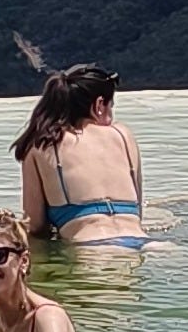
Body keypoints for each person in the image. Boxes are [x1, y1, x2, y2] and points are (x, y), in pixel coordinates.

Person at [15, 65, 149, 250]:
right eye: (111, 106)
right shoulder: (123, 136)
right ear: (99, 105)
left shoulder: (42, 144)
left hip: (91, 245)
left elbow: (35, 225)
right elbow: (138, 210)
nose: (111, 114)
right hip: (143, 241)